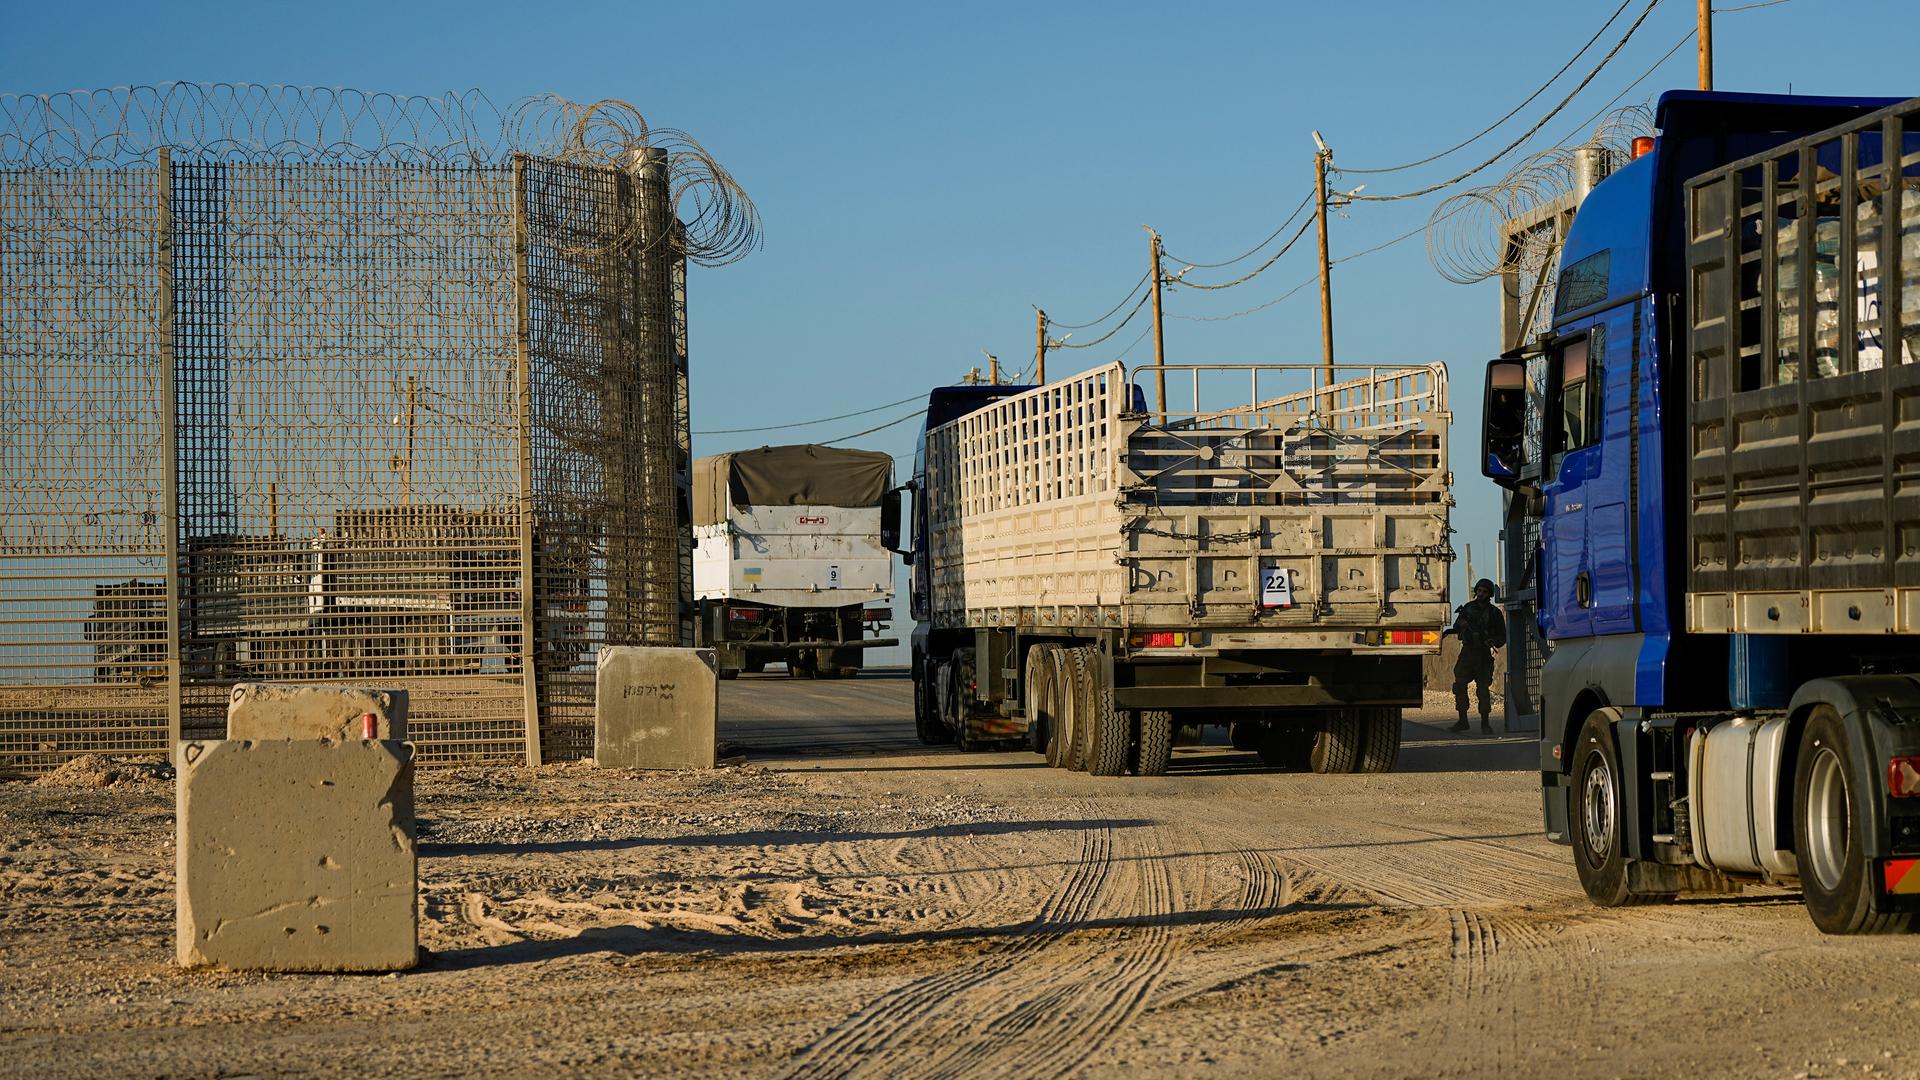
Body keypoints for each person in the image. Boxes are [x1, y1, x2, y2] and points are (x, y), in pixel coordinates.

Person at [1445, 578, 1506, 734]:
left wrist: (1493, 641)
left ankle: (1485, 724)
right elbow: (1456, 626)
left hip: (1483, 655)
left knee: (1483, 690)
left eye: (1484, 592)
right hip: (1468, 652)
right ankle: (1462, 721)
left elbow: (1502, 637)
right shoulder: (1468, 608)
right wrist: (1462, 626)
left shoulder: (1494, 613)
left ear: (1489, 594)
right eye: (1479, 591)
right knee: (1459, 685)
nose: (1481, 594)